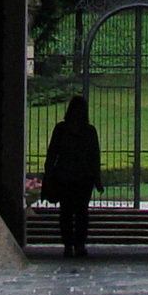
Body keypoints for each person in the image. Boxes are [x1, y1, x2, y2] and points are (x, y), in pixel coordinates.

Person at [41, 93, 102, 258]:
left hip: (83, 177)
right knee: (66, 212)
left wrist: (97, 178)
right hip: (64, 176)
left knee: (81, 212)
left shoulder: (89, 131)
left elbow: (94, 155)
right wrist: (49, 173)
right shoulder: (61, 129)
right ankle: (68, 244)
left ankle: (80, 244)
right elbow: (52, 152)